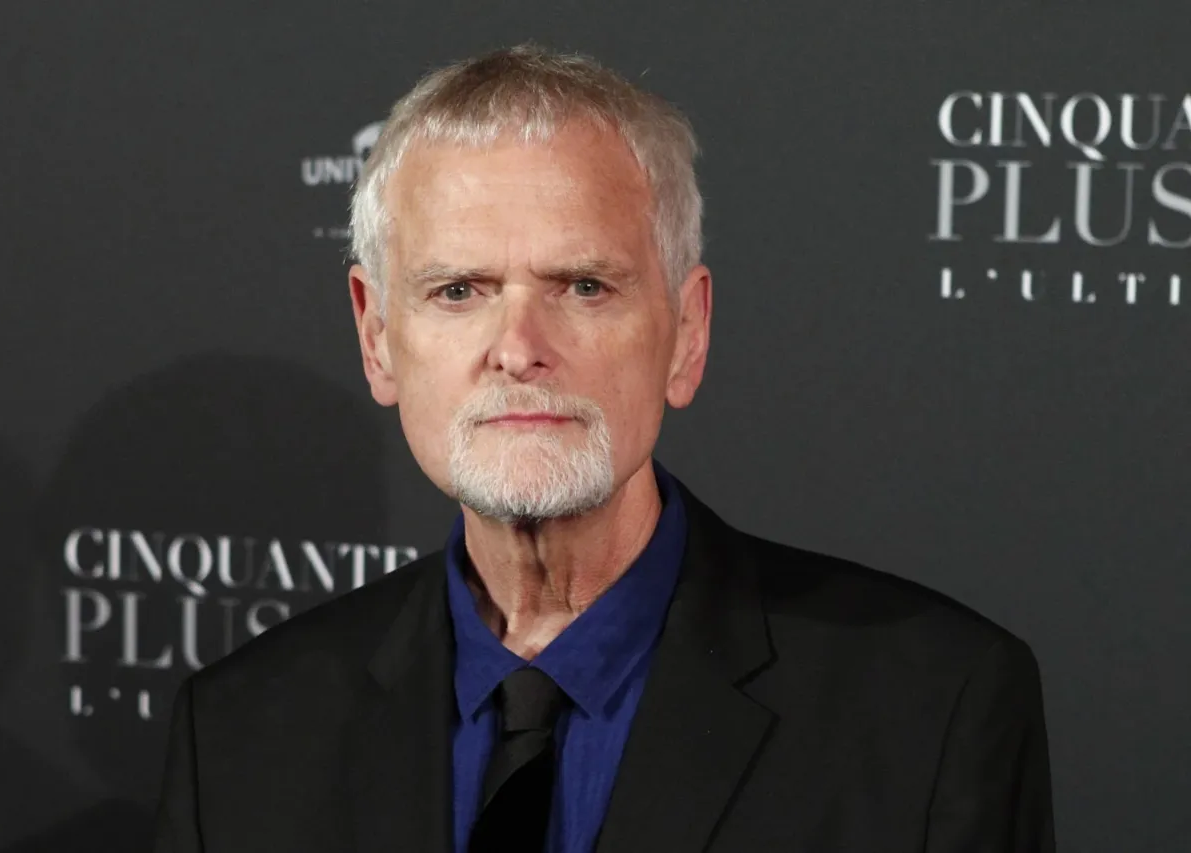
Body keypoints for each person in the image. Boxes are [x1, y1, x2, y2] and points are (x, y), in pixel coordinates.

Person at [153, 44, 1055, 852]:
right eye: (459, 290)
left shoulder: (933, 711)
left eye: (584, 285)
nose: (519, 348)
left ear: (688, 332)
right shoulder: (239, 735)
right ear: (377, 336)